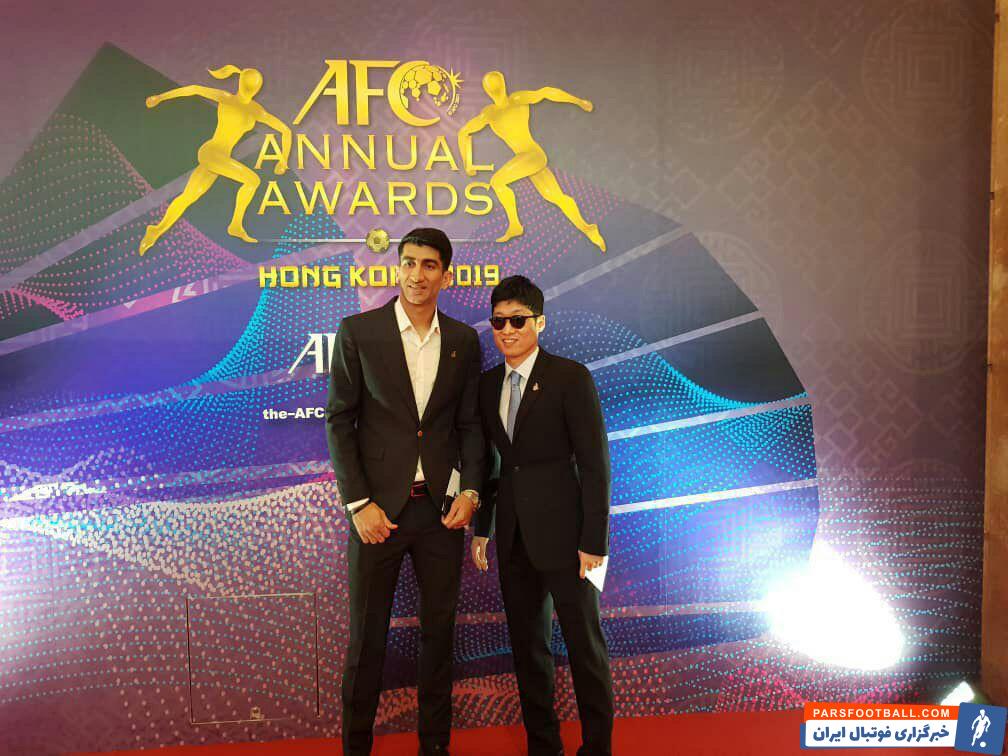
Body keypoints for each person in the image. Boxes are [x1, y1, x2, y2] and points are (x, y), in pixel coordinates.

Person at [326, 227, 484, 756]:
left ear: (446, 275)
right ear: (398, 268)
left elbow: (469, 425)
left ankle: (434, 749)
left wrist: (471, 492)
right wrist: (359, 504)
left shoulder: (462, 340)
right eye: (410, 263)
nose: (418, 275)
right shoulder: (359, 331)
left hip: (440, 515)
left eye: (429, 265)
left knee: (439, 638)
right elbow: (339, 421)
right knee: (366, 641)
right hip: (377, 515)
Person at [471, 275, 613, 755]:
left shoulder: (571, 377)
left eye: (518, 320)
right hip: (513, 539)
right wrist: (484, 528)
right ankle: (543, 747)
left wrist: (594, 542)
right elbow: (491, 464)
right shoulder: (487, 385)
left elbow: (595, 465)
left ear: (540, 323)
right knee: (529, 652)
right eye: (499, 322)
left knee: (585, 648)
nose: (507, 330)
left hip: (571, 541)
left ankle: (597, 748)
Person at [139, 65, 292, 255]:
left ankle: (155, 231)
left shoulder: (255, 110)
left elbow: (285, 131)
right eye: (251, 84)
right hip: (212, 152)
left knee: (189, 196)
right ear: (244, 84)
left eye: (254, 85)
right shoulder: (228, 99)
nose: (252, 88)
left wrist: (283, 160)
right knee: (252, 180)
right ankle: (235, 225)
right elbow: (194, 89)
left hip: (220, 157)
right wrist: (160, 97)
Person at [458, 71, 606, 252]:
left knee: (497, 181)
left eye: (496, 84)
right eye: (491, 86)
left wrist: (578, 101)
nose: (495, 88)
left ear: (502, 84)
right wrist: (467, 162)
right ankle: (588, 229)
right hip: (528, 158)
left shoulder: (516, 100)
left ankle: (515, 225)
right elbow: (464, 133)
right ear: (488, 90)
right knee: (555, 196)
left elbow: (546, 92)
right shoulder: (490, 113)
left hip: (532, 154)